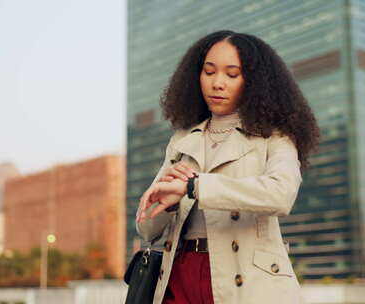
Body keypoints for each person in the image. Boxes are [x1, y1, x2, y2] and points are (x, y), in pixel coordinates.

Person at [135, 30, 320, 304]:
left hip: (247, 281)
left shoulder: (275, 137)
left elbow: (281, 194)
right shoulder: (182, 140)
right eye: (209, 72)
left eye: (232, 74)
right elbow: (147, 229)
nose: (217, 83)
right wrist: (169, 204)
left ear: (254, 82)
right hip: (179, 275)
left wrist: (194, 186)